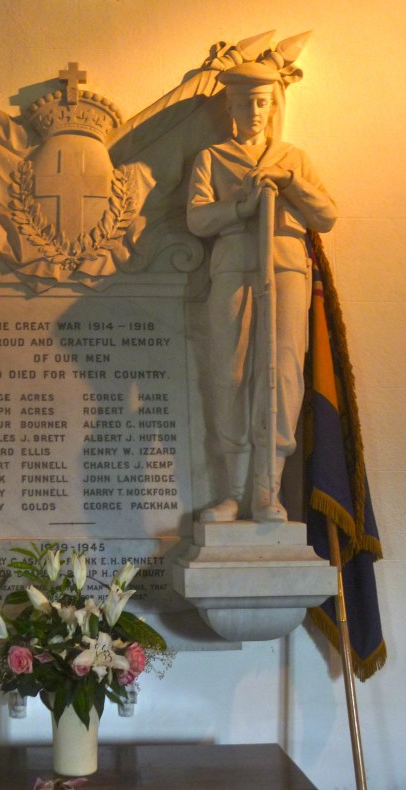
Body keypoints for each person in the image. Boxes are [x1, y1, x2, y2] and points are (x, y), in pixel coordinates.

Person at [187, 62, 336, 522]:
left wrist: (291, 185)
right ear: (229, 106)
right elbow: (197, 219)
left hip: (285, 268)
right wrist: (239, 208)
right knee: (230, 377)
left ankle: (267, 492)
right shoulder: (212, 158)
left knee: (282, 376)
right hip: (233, 269)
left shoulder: (293, 158)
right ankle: (232, 492)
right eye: (245, 102)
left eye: (262, 103)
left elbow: (326, 216)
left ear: (272, 107)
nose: (254, 111)